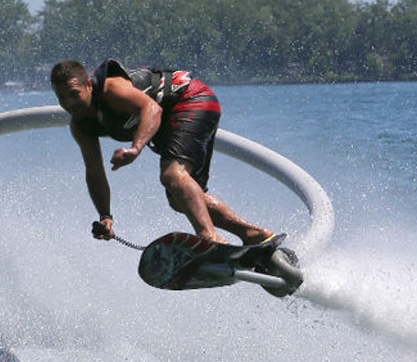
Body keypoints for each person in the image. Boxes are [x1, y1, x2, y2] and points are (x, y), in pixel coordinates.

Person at [50, 59, 274, 245]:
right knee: (180, 200)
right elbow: (95, 172)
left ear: (89, 85)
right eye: (62, 98)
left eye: (74, 94)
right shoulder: (81, 126)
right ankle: (252, 234)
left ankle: (210, 238)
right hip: (175, 120)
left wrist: (136, 148)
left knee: (172, 175)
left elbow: (152, 109)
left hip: (192, 99)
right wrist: (105, 216)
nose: (69, 103)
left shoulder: (111, 89)